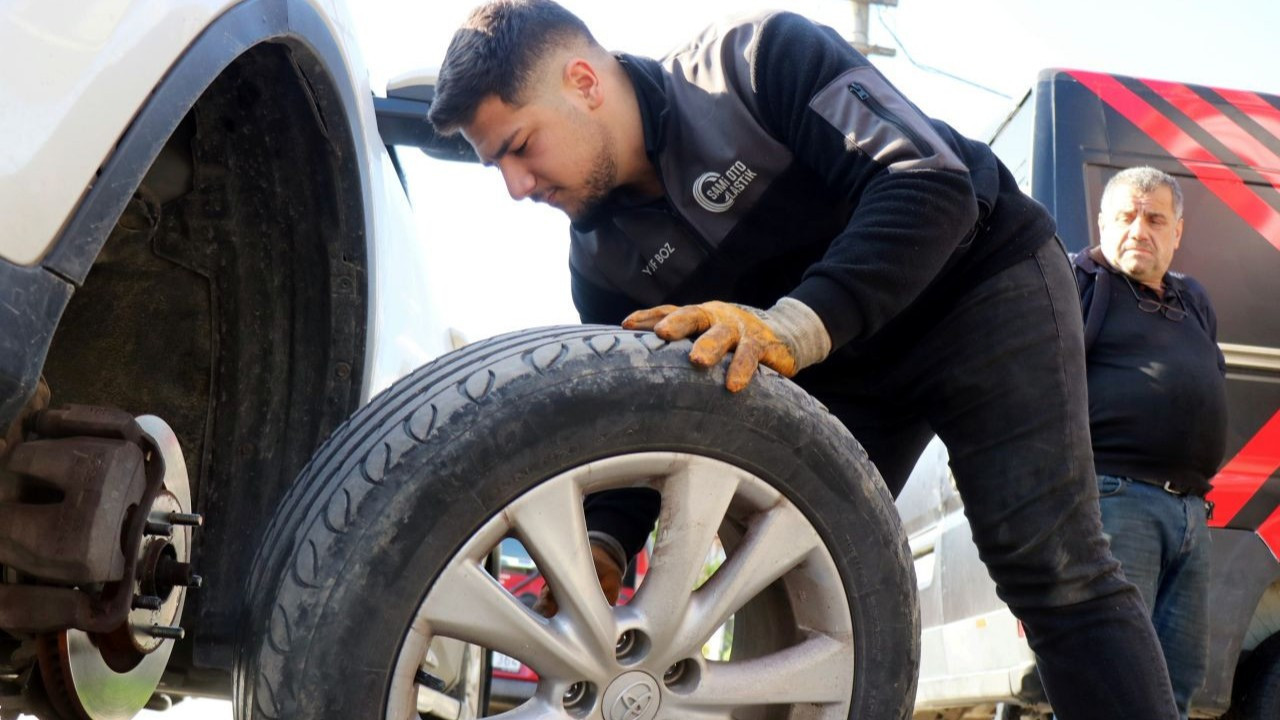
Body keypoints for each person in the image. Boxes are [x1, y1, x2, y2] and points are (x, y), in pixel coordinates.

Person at [427, 2, 1178, 717]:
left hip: (977, 284)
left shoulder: (752, 64)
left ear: (582, 83)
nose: (517, 188)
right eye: (497, 166)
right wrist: (603, 544)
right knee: (792, 589)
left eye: (519, 147)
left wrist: (794, 325)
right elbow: (648, 416)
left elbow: (928, 182)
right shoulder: (600, 261)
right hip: (839, 371)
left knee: (1048, 561)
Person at [1072, 167, 1226, 719]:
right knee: (1116, 681)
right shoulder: (1078, 283)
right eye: (1126, 216)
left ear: (1177, 231)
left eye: (1155, 218)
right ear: (1102, 223)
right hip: (1116, 501)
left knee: (1178, 684)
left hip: (1190, 513)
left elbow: (1210, 377)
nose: (1140, 229)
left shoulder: (1194, 299)